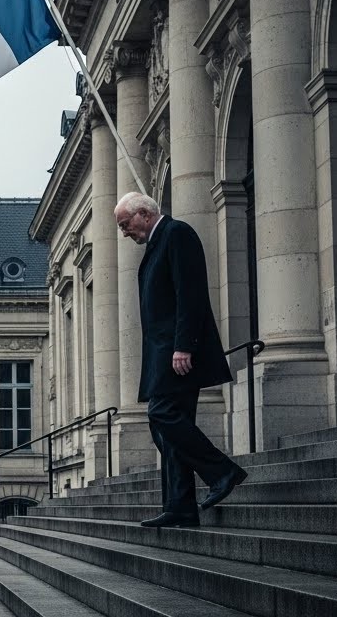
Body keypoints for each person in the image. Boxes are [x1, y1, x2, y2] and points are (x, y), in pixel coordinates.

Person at [115, 191, 247, 528]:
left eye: (126, 224)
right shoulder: (159, 242)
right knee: (164, 427)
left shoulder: (177, 234)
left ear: (144, 213)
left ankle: (222, 472)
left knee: (162, 415)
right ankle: (180, 505)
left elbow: (191, 293)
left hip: (178, 352)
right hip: (164, 353)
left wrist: (184, 345)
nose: (124, 232)